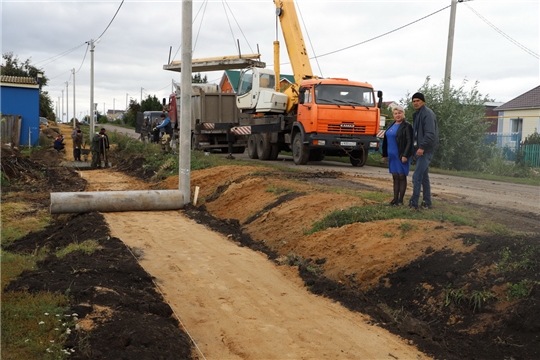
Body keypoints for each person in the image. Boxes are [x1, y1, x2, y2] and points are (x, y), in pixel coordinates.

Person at [409, 92, 439, 210]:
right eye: (414, 101)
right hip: (420, 150)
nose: (416, 103)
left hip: (426, 149)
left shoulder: (427, 114)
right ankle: (427, 202)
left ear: (423, 102)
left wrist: (422, 148)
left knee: (417, 176)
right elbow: (416, 134)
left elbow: (430, 134)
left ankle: (414, 203)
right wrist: (415, 150)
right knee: (424, 176)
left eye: (418, 101)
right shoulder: (417, 114)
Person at [382, 105, 413, 206]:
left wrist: (405, 155)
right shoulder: (391, 125)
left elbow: (409, 141)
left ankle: (400, 200)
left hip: (401, 155)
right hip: (391, 155)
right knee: (395, 176)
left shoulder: (407, 126)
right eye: (395, 113)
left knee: (401, 176)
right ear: (393, 115)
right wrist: (385, 155)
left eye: (399, 113)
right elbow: (386, 140)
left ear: (403, 114)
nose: (397, 115)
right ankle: (394, 199)